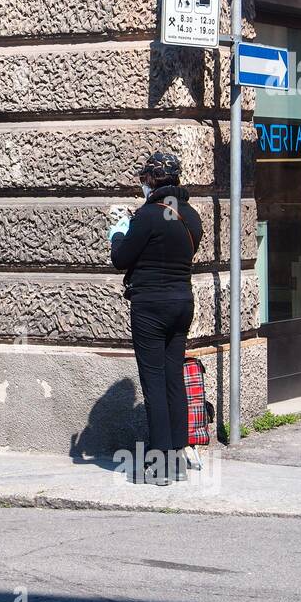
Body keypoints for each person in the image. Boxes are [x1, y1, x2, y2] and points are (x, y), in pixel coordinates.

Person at [109, 152, 203, 485]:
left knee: (154, 383)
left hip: (151, 306)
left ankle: (160, 463)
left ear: (151, 179)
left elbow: (121, 259)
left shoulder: (147, 216)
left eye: (144, 178)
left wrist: (118, 233)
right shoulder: (191, 216)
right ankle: (177, 458)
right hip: (182, 303)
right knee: (174, 378)